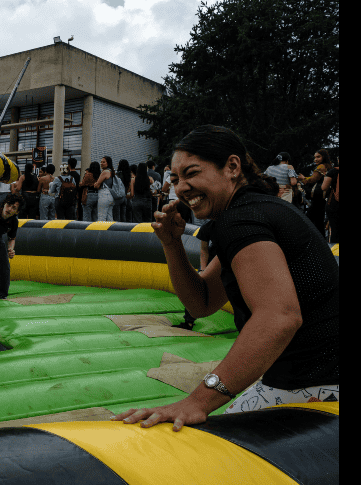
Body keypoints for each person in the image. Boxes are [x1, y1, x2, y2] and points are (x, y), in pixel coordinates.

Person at [112, 125, 338, 432]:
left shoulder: (242, 219)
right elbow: (202, 302)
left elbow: (279, 317)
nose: (181, 188)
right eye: (175, 179)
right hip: (311, 379)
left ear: (232, 167)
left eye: (191, 173)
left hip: (316, 387)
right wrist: (172, 244)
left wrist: (197, 401)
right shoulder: (252, 212)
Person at [0, 193, 23, 300]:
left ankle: (3, 294)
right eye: (9, 205)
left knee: (5, 265)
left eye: (14, 208)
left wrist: (11, 249)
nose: (9, 209)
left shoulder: (13, 222)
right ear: (4, 204)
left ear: (17, 212)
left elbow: (12, 238)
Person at [299, 149, 332, 236]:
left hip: (318, 196)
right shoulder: (328, 166)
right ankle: (321, 240)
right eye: (315, 157)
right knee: (319, 220)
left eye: (318, 157)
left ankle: (304, 237)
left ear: (323, 157)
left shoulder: (321, 167)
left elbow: (312, 179)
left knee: (308, 219)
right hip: (324, 196)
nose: (315, 159)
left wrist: (303, 178)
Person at [322, 156, 339, 243]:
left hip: (334, 204)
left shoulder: (333, 171)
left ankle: (336, 254)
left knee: (335, 230)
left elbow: (324, 187)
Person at [93, 156, 115, 221]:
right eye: (101, 162)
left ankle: (99, 231)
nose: (101, 163)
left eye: (103, 162)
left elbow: (96, 185)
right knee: (109, 218)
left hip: (103, 195)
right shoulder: (112, 172)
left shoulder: (105, 172)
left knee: (101, 217)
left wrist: (95, 184)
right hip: (110, 196)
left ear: (108, 163)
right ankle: (111, 231)